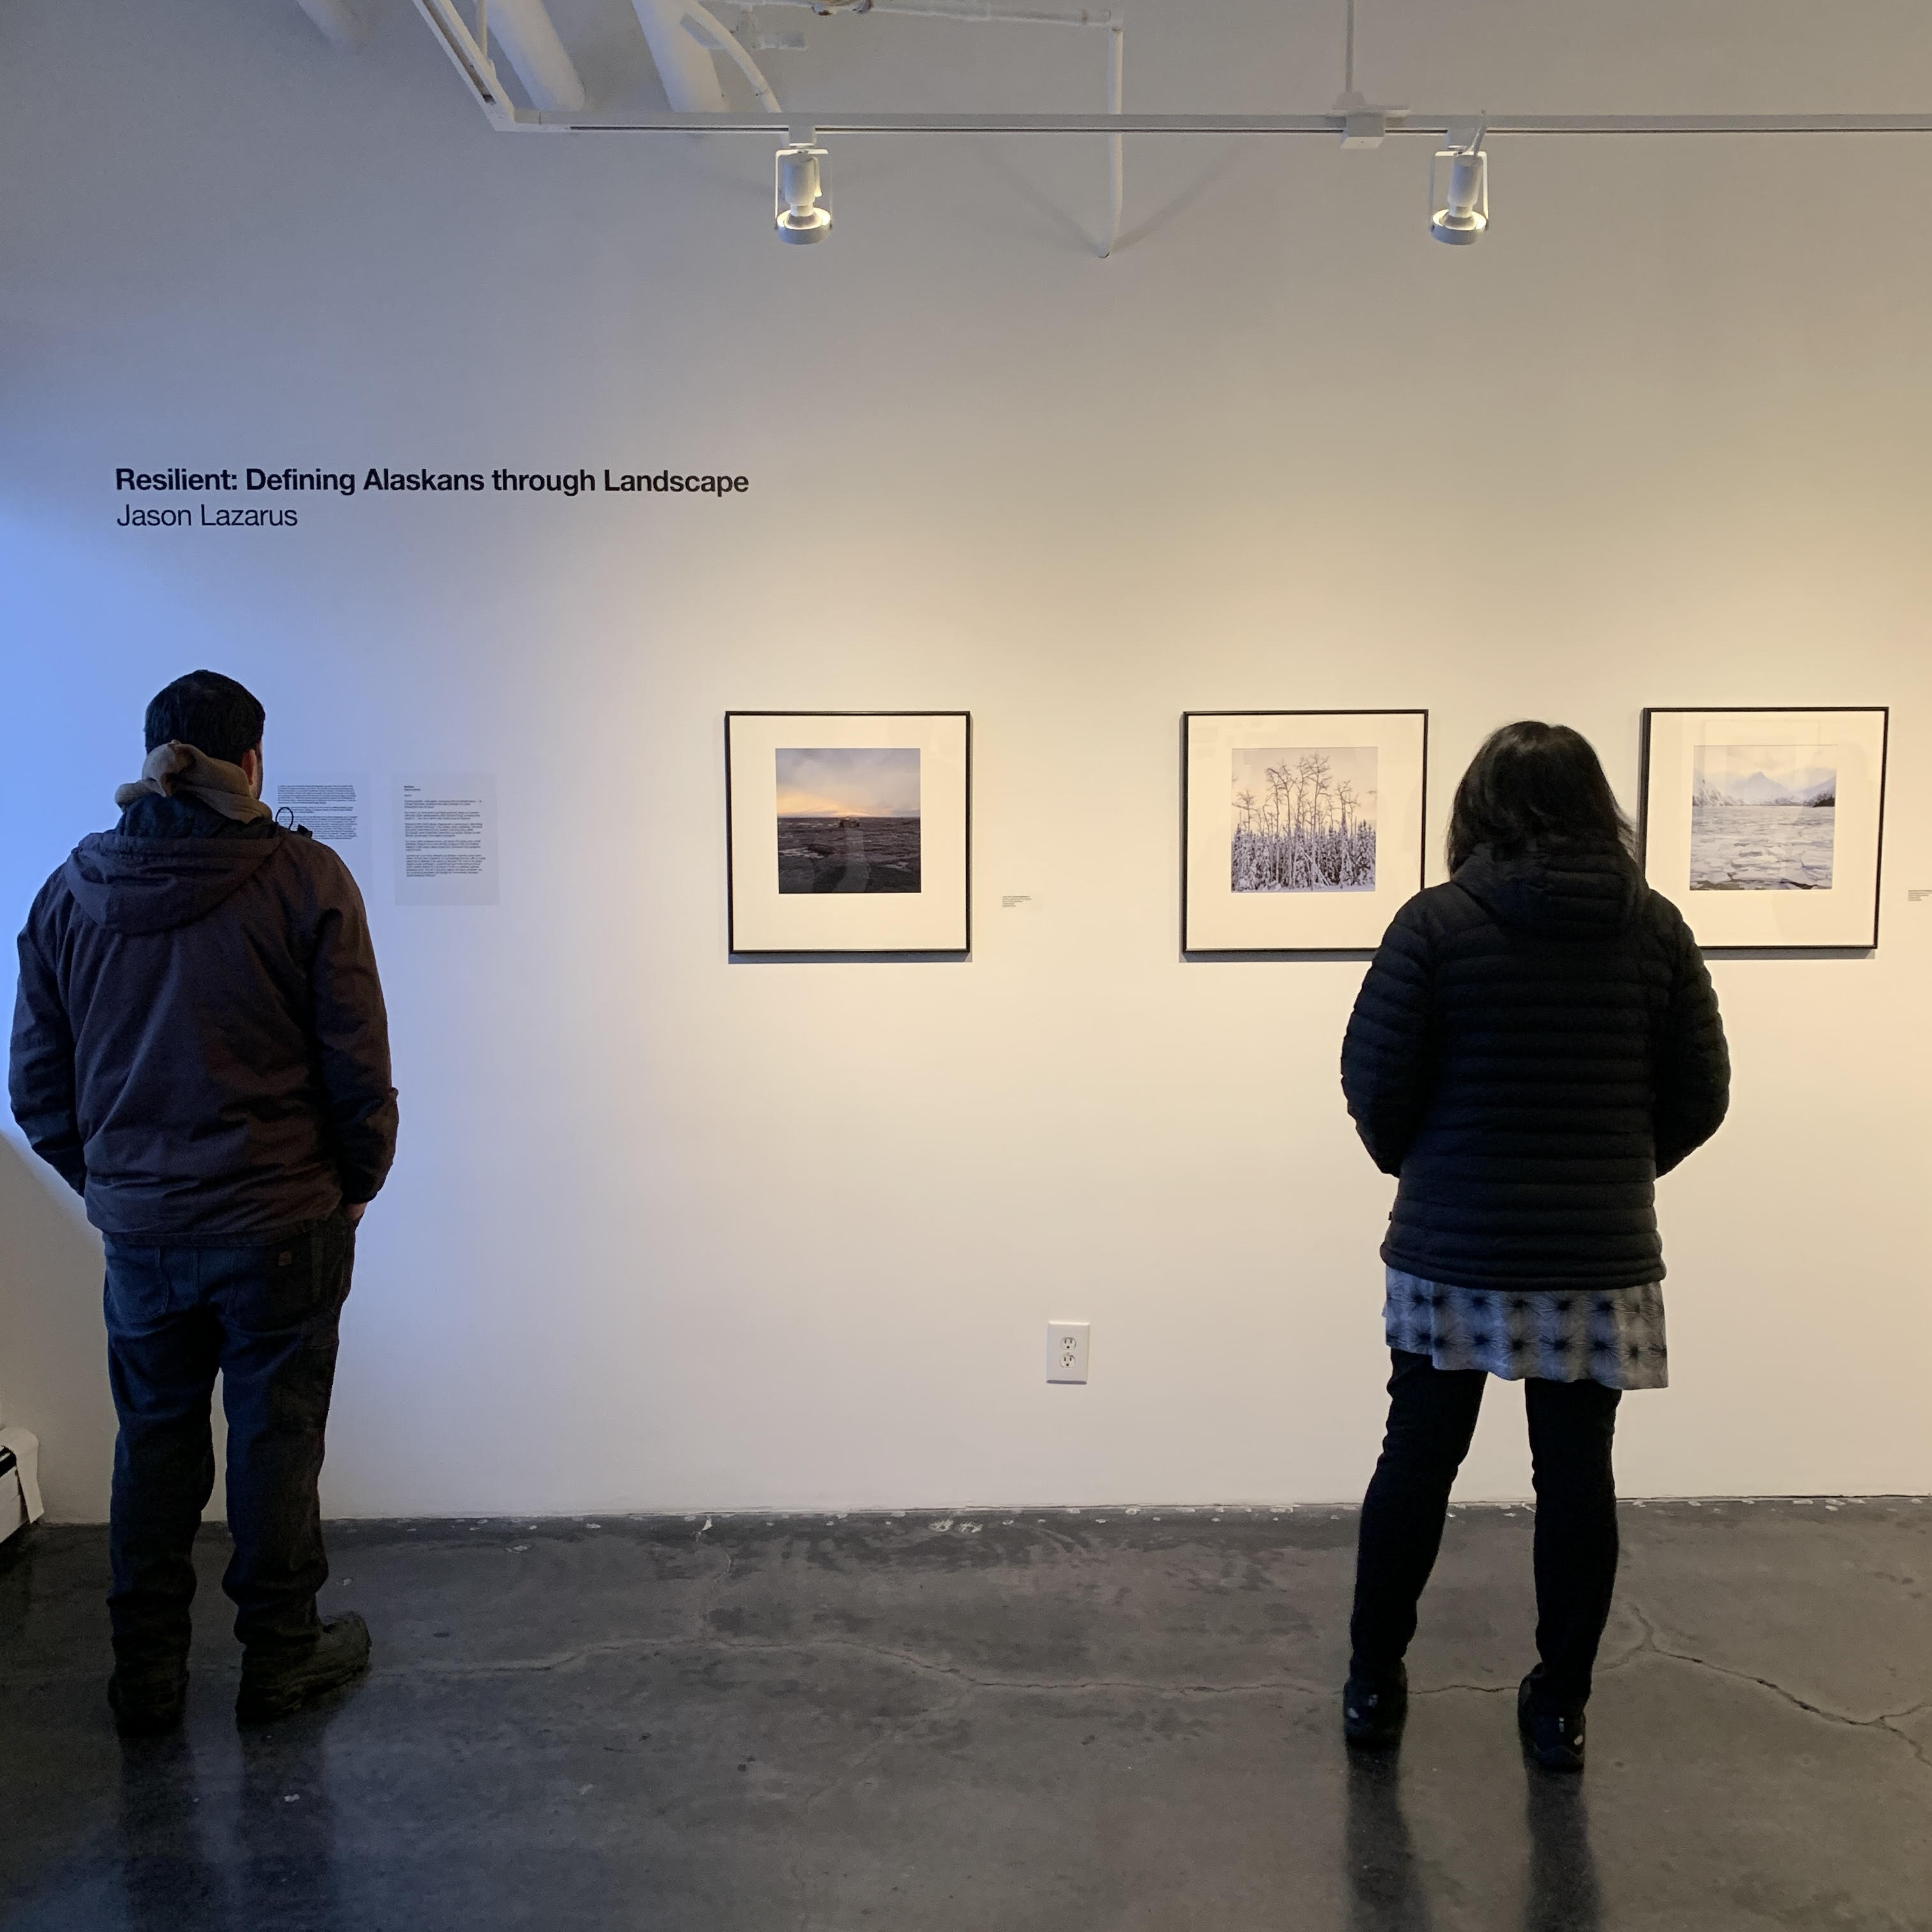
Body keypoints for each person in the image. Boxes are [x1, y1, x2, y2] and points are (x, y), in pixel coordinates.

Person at [9, 670, 397, 1733]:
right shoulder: (307, 881)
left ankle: (145, 1681)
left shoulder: (70, 889)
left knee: (154, 1446)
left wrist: (112, 1190)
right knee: (277, 1444)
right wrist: (356, 1185)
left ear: (152, 758)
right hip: (283, 1223)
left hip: (146, 1236)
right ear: (255, 761)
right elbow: (357, 1068)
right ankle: (278, 1664)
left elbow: (37, 1089)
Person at [1338, 721, 1728, 1771]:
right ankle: (1560, 1707)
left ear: (1477, 808)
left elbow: (1374, 1084)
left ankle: (1374, 1687)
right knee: (1576, 1478)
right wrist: (1616, 1178)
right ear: (1600, 808)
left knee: (1416, 1462)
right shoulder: (1654, 929)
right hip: (1595, 1257)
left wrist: (1424, 1172)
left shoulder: (1435, 924)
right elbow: (1703, 1096)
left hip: (1451, 1247)